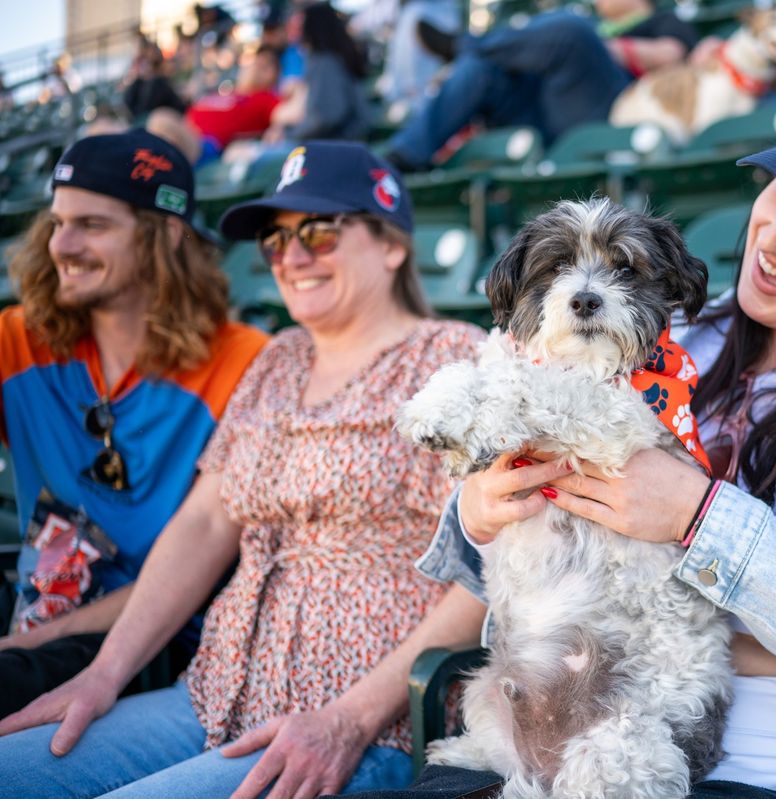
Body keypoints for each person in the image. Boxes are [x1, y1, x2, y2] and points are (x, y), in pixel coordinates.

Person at [360, 89, 776, 799]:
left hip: (766, 768)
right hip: (531, 732)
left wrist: (701, 516)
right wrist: (479, 509)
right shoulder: (659, 328)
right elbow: (523, 556)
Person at [0, 142, 488, 799]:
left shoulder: (454, 360)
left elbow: (492, 565)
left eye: (318, 232)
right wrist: (104, 673)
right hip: (213, 691)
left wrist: (349, 718)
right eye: (275, 241)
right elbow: (205, 521)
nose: (292, 256)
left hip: (361, 726)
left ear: (392, 244)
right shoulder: (278, 360)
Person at [0, 129, 268, 717]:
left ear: (165, 236)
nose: (62, 246)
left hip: (160, 644)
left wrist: (26, 642)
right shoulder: (19, 340)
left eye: (93, 226)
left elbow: (205, 561)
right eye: (56, 223)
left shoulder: (241, 362)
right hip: (37, 613)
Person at [384, 0, 698, 172]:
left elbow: (673, 55)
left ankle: (462, 45)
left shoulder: (663, 19)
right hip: (545, 109)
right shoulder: (589, 21)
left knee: (571, 30)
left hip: (606, 107)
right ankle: (404, 157)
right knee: (482, 68)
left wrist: (602, 45)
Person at [263, 2, 372, 144]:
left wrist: (289, 135)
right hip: (340, 139)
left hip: (340, 142)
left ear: (312, 26)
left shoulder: (324, 62)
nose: (295, 30)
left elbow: (325, 118)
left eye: (300, 25)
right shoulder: (328, 58)